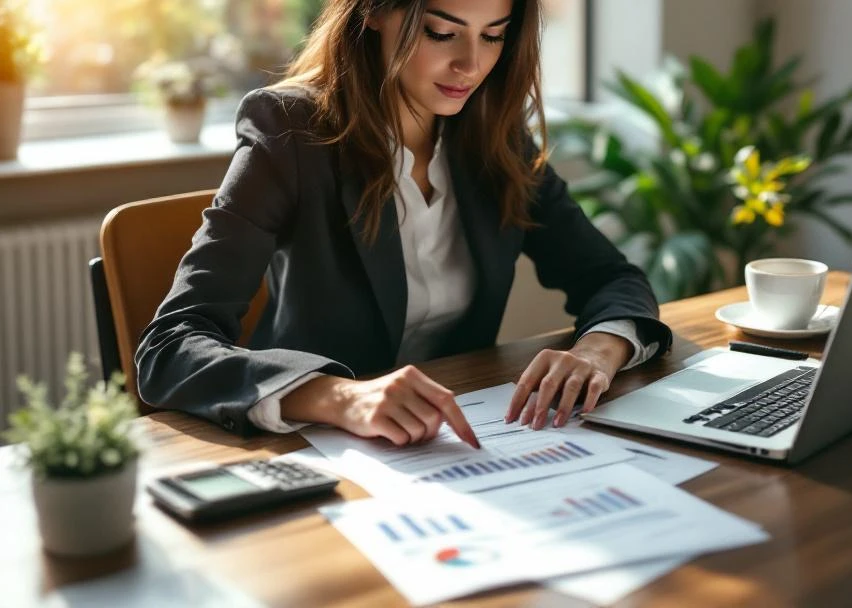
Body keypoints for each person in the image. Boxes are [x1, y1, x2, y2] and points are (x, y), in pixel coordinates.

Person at [136, 0, 673, 449]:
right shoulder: (292, 133)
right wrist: (339, 396)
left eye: (493, 36)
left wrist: (597, 351)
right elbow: (170, 345)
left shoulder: (495, 138)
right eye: (442, 33)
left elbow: (610, 276)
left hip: (460, 444)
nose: (471, 64)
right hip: (314, 448)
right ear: (374, 12)